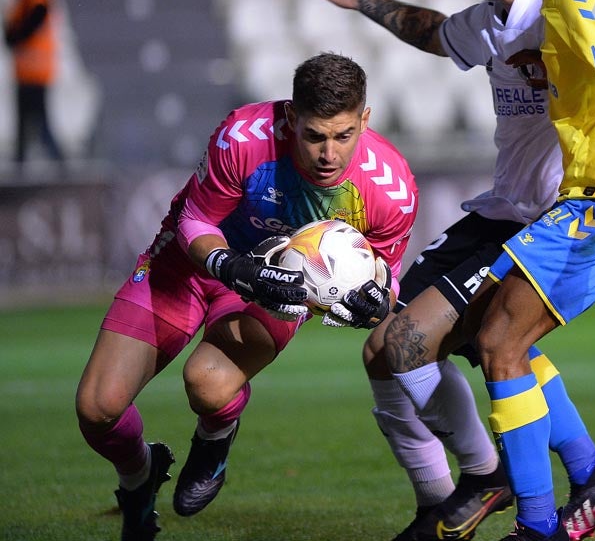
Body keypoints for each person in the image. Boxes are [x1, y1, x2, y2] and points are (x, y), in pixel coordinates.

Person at [305, 0, 595, 541]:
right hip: (501, 209)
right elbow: (434, 30)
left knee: (418, 345)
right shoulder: (492, 23)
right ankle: (586, 474)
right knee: (396, 347)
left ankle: (491, 480)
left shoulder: (561, 6)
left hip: (553, 213)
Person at [75, 53, 414, 541]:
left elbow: (387, 276)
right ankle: (139, 475)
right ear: (292, 117)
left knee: (208, 383)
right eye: (315, 135)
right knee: (97, 408)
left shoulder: (392, 188)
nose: (329, 154)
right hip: (190, 265)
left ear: (365, 119)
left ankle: (214, 439)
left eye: (343, 135)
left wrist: (375, 303)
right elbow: (195, 219)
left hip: (279, 290)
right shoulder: (244, 136)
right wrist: (232, 266)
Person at [3, 0, 64, 167]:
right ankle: (21, 161)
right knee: (24, 121)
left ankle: (59, 162)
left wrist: (16, 35)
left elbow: (35, 19)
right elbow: (10, 35)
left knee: (40, 121)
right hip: (23, 72)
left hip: (37, 71)